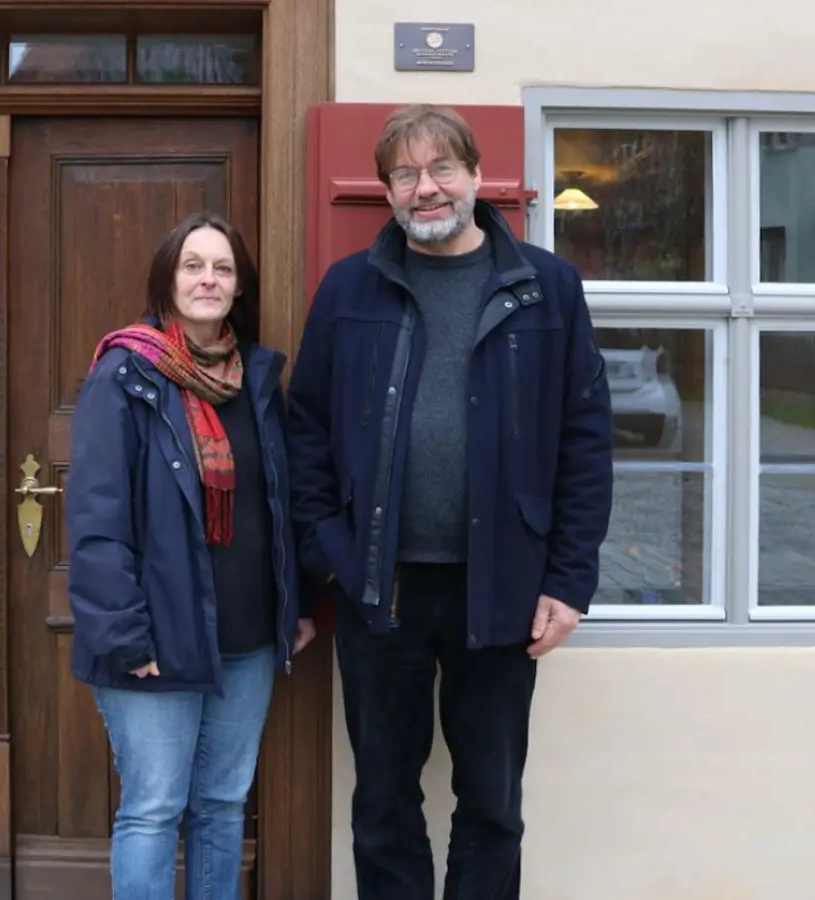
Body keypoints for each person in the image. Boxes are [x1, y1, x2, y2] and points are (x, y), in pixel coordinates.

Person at [286, 104, 614, 899]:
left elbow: (584, 442)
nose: (424, 189)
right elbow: (306, 432)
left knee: (493, 804)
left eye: (440, 170)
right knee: (384, 803)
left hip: (502, 587)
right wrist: (332, 557)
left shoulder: (547, 287)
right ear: (387, 191)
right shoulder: (347, 288)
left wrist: (567, 582)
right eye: (405, 174)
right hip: (379, 590)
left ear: (475, 176)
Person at [66, 211, 318, 900]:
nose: (209, 279)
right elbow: (95, 519)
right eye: (193, 265)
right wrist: (122, 635)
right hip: (156, 638)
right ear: (167, 280)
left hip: (246, 638)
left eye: (223, 267)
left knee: (222, 806)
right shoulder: (126, 375)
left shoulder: (258, 380)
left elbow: (281, 503)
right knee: (153, 809)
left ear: (240, 287)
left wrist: (291, 606)